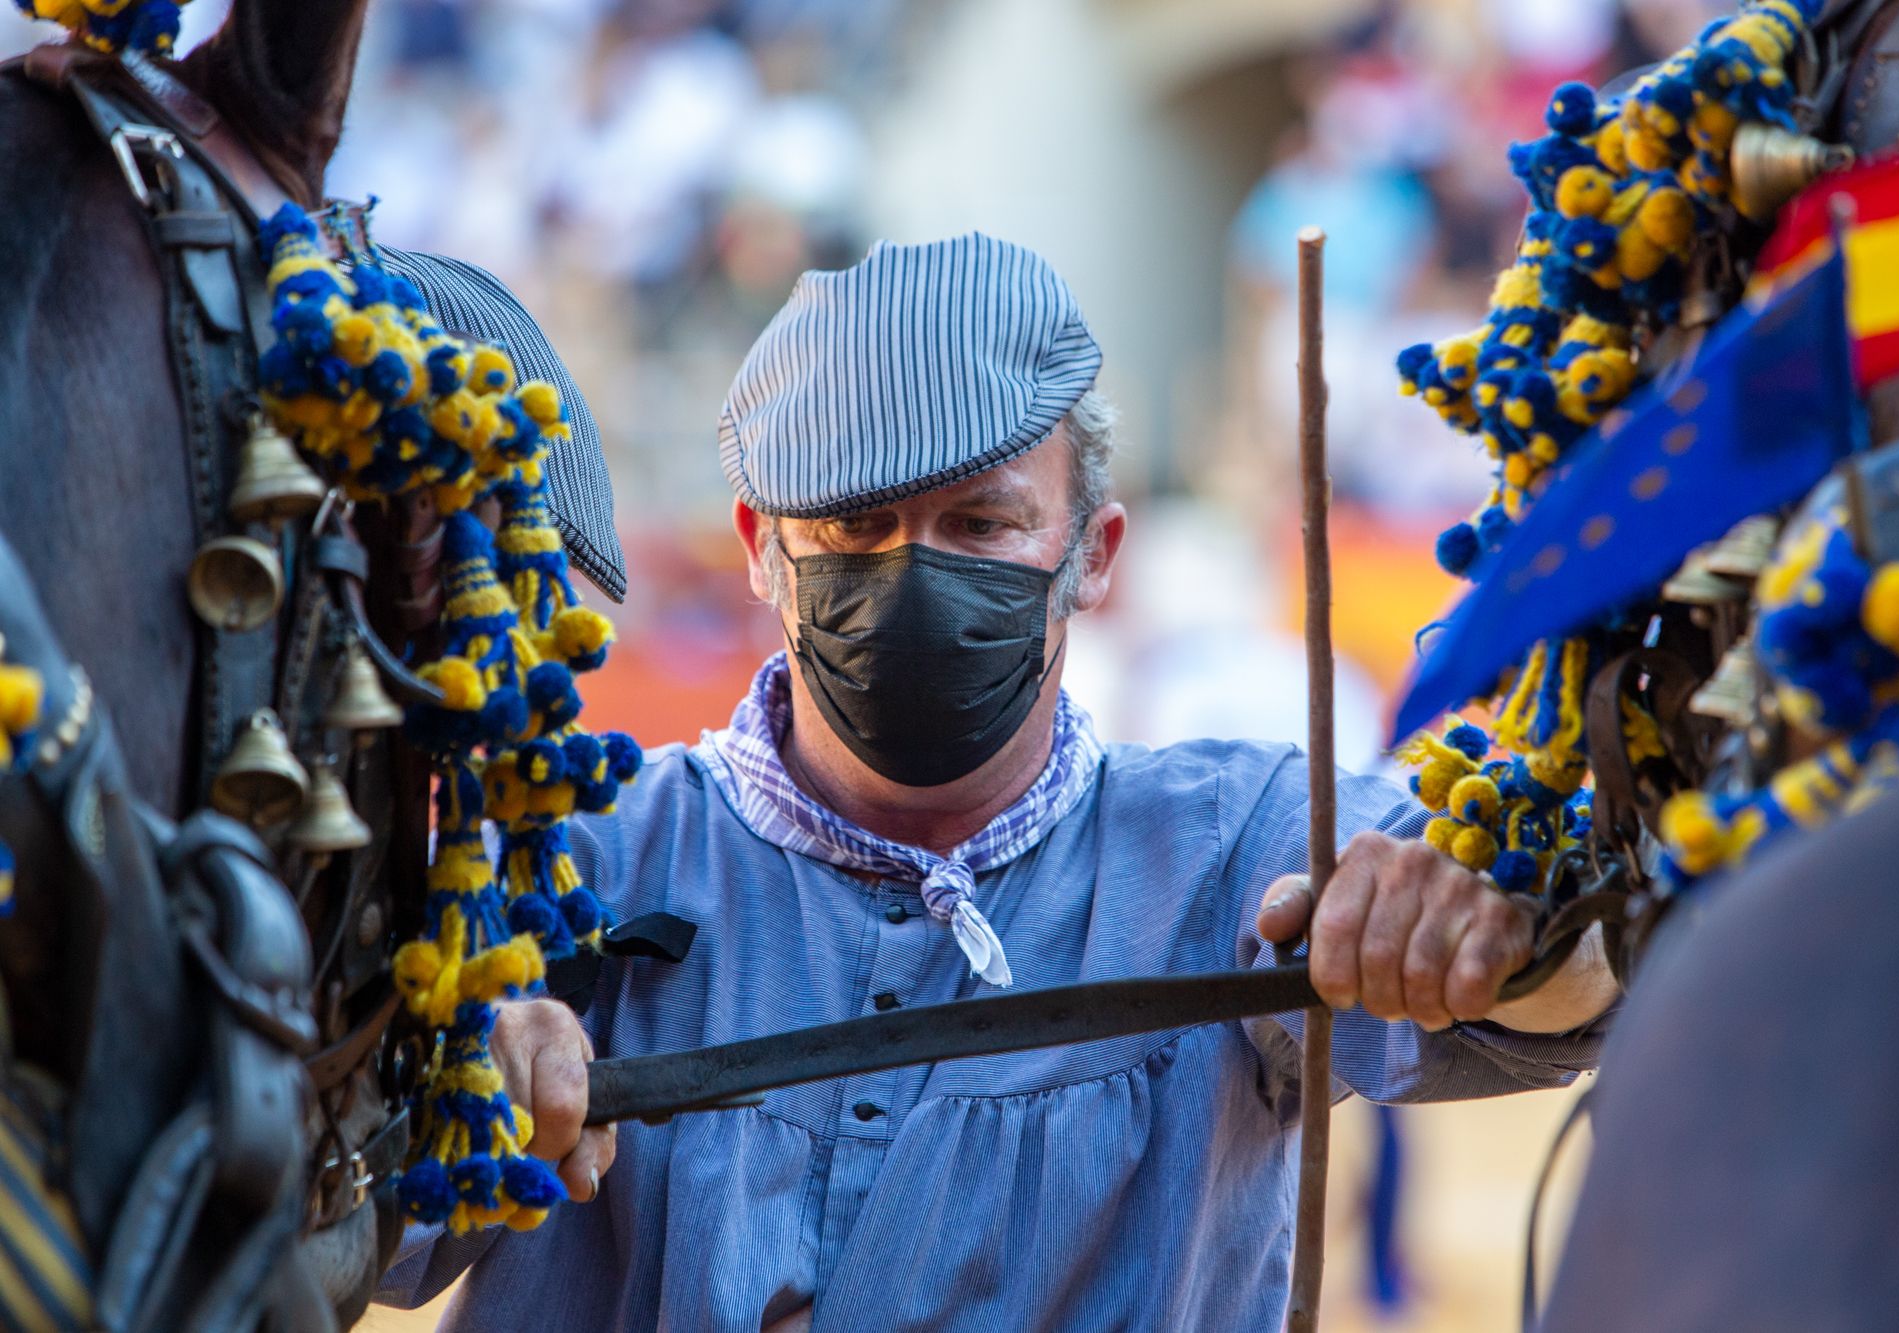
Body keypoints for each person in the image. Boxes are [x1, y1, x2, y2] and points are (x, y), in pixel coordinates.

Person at [376, 233, 1619, 1329]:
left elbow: (1570, 975)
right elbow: (339, 1227)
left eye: (981, 525)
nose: (913, 574)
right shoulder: (569, 860)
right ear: (761, 547)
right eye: (855, 526)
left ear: (1092, 555)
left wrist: (1486, 919)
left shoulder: (1243, 845)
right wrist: (420, 1072)